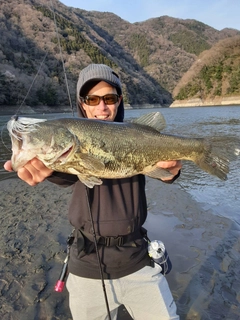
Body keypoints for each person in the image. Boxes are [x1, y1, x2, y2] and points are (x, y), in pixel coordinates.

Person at [4, 64, 182, 320]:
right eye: (92, 99)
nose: (102, 107)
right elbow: (65, 174)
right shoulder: (71, 148)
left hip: (138, 260)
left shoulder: (135, 135)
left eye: (109, 98)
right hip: (86, 265)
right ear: (83, 104)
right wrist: (46, 169)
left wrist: (172, 172)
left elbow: (165, 170)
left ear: (119, 102)